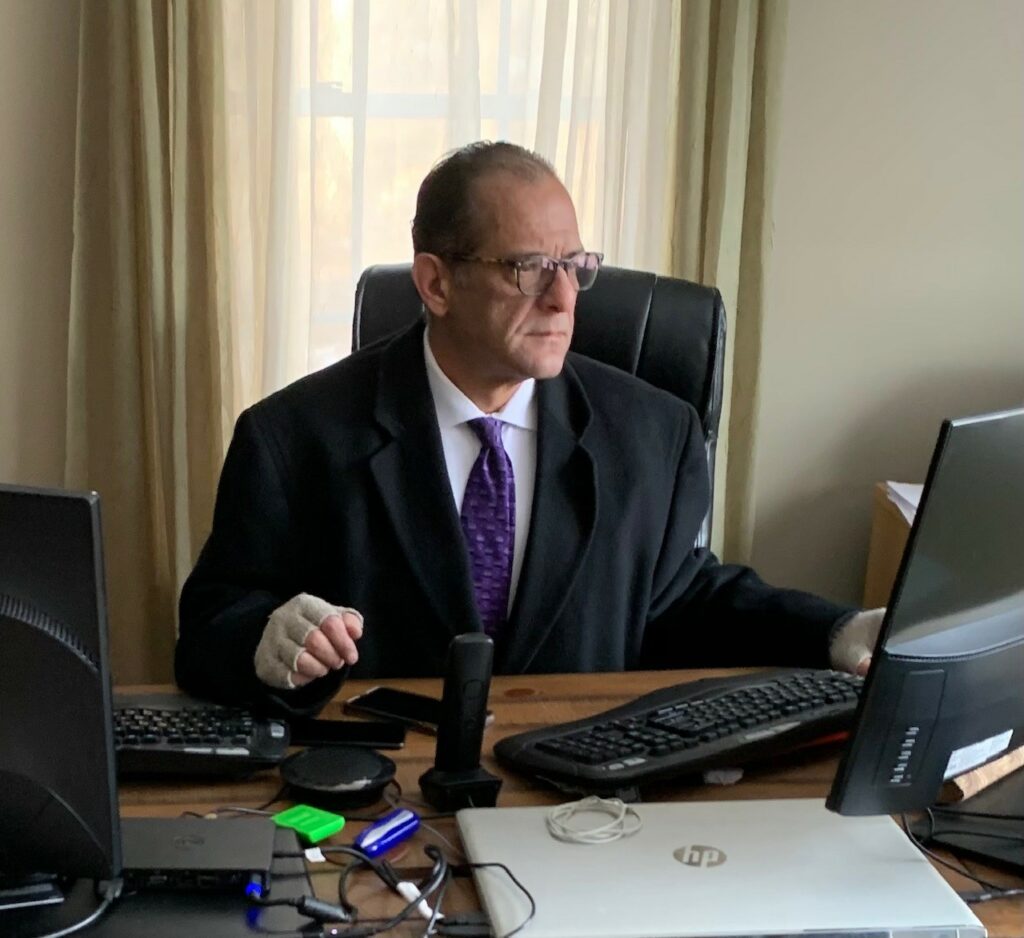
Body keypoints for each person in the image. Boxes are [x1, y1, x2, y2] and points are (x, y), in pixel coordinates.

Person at [175, 141, 882, 715]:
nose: (565, 297)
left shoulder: (655, 436)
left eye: (574, 266)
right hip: (376, 798)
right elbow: (209, 628)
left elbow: (686, 603)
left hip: (580, 798)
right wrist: (264, 637)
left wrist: (834, 632)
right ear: (436, 283)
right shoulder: (293, 438)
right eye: (529, 268)